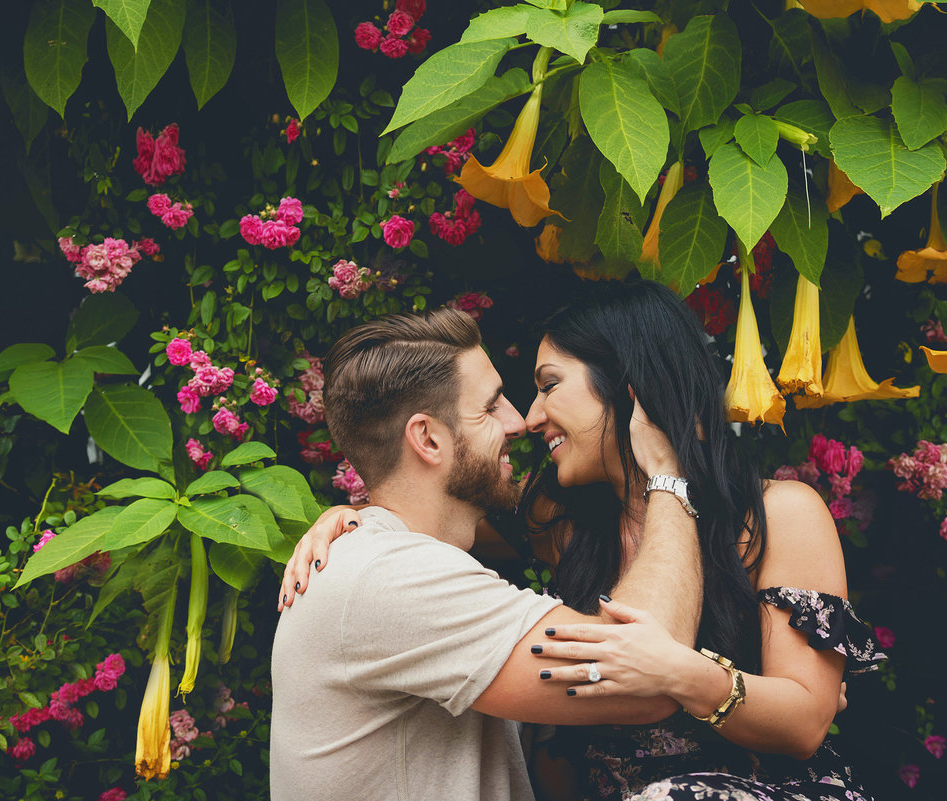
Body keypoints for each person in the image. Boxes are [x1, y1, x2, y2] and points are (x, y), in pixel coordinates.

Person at [282, 280, 885, 801]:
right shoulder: (558, 520)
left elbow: (806, 722)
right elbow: (415, 524)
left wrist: (688, 675)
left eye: (548, 385)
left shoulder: (780, 514)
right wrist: (358, 515)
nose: (529, 417)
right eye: (500, 403)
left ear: (630, 391)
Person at [269, 306, 707, 801]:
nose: (519, 421)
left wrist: (356, 512)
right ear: (428, 438)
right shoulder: (394, 576)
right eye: (491, 406)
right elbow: (650, 673)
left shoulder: (375, 557)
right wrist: (667, 474)